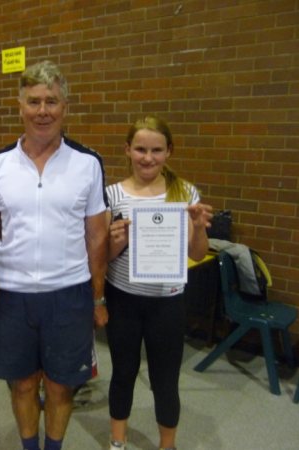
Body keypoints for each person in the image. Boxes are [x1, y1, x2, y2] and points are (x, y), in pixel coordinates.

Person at [0, 60, 109, 450]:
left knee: (60, 386)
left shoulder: (87, 164)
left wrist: (98, 298)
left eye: (51, 101)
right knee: (20, 383)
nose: (42, 111)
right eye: (33, 101)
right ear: (19, 106)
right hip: (13, 294)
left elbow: (97, 237)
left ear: (65, 107)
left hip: (68, 293)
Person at [105, 115, 212, 450]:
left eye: (156, 150)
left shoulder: (185, 193)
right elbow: (102, 258)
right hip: (123, 297)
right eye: (140, 149)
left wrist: (199, 225)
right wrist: (116, 241)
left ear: (169, 152)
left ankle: (168, 444)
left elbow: (197, 254)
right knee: (123, 372)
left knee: (165, 378)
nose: (147, 157)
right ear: (127, 150)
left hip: (168, 301)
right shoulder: (112, 195)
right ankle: (118, 441)